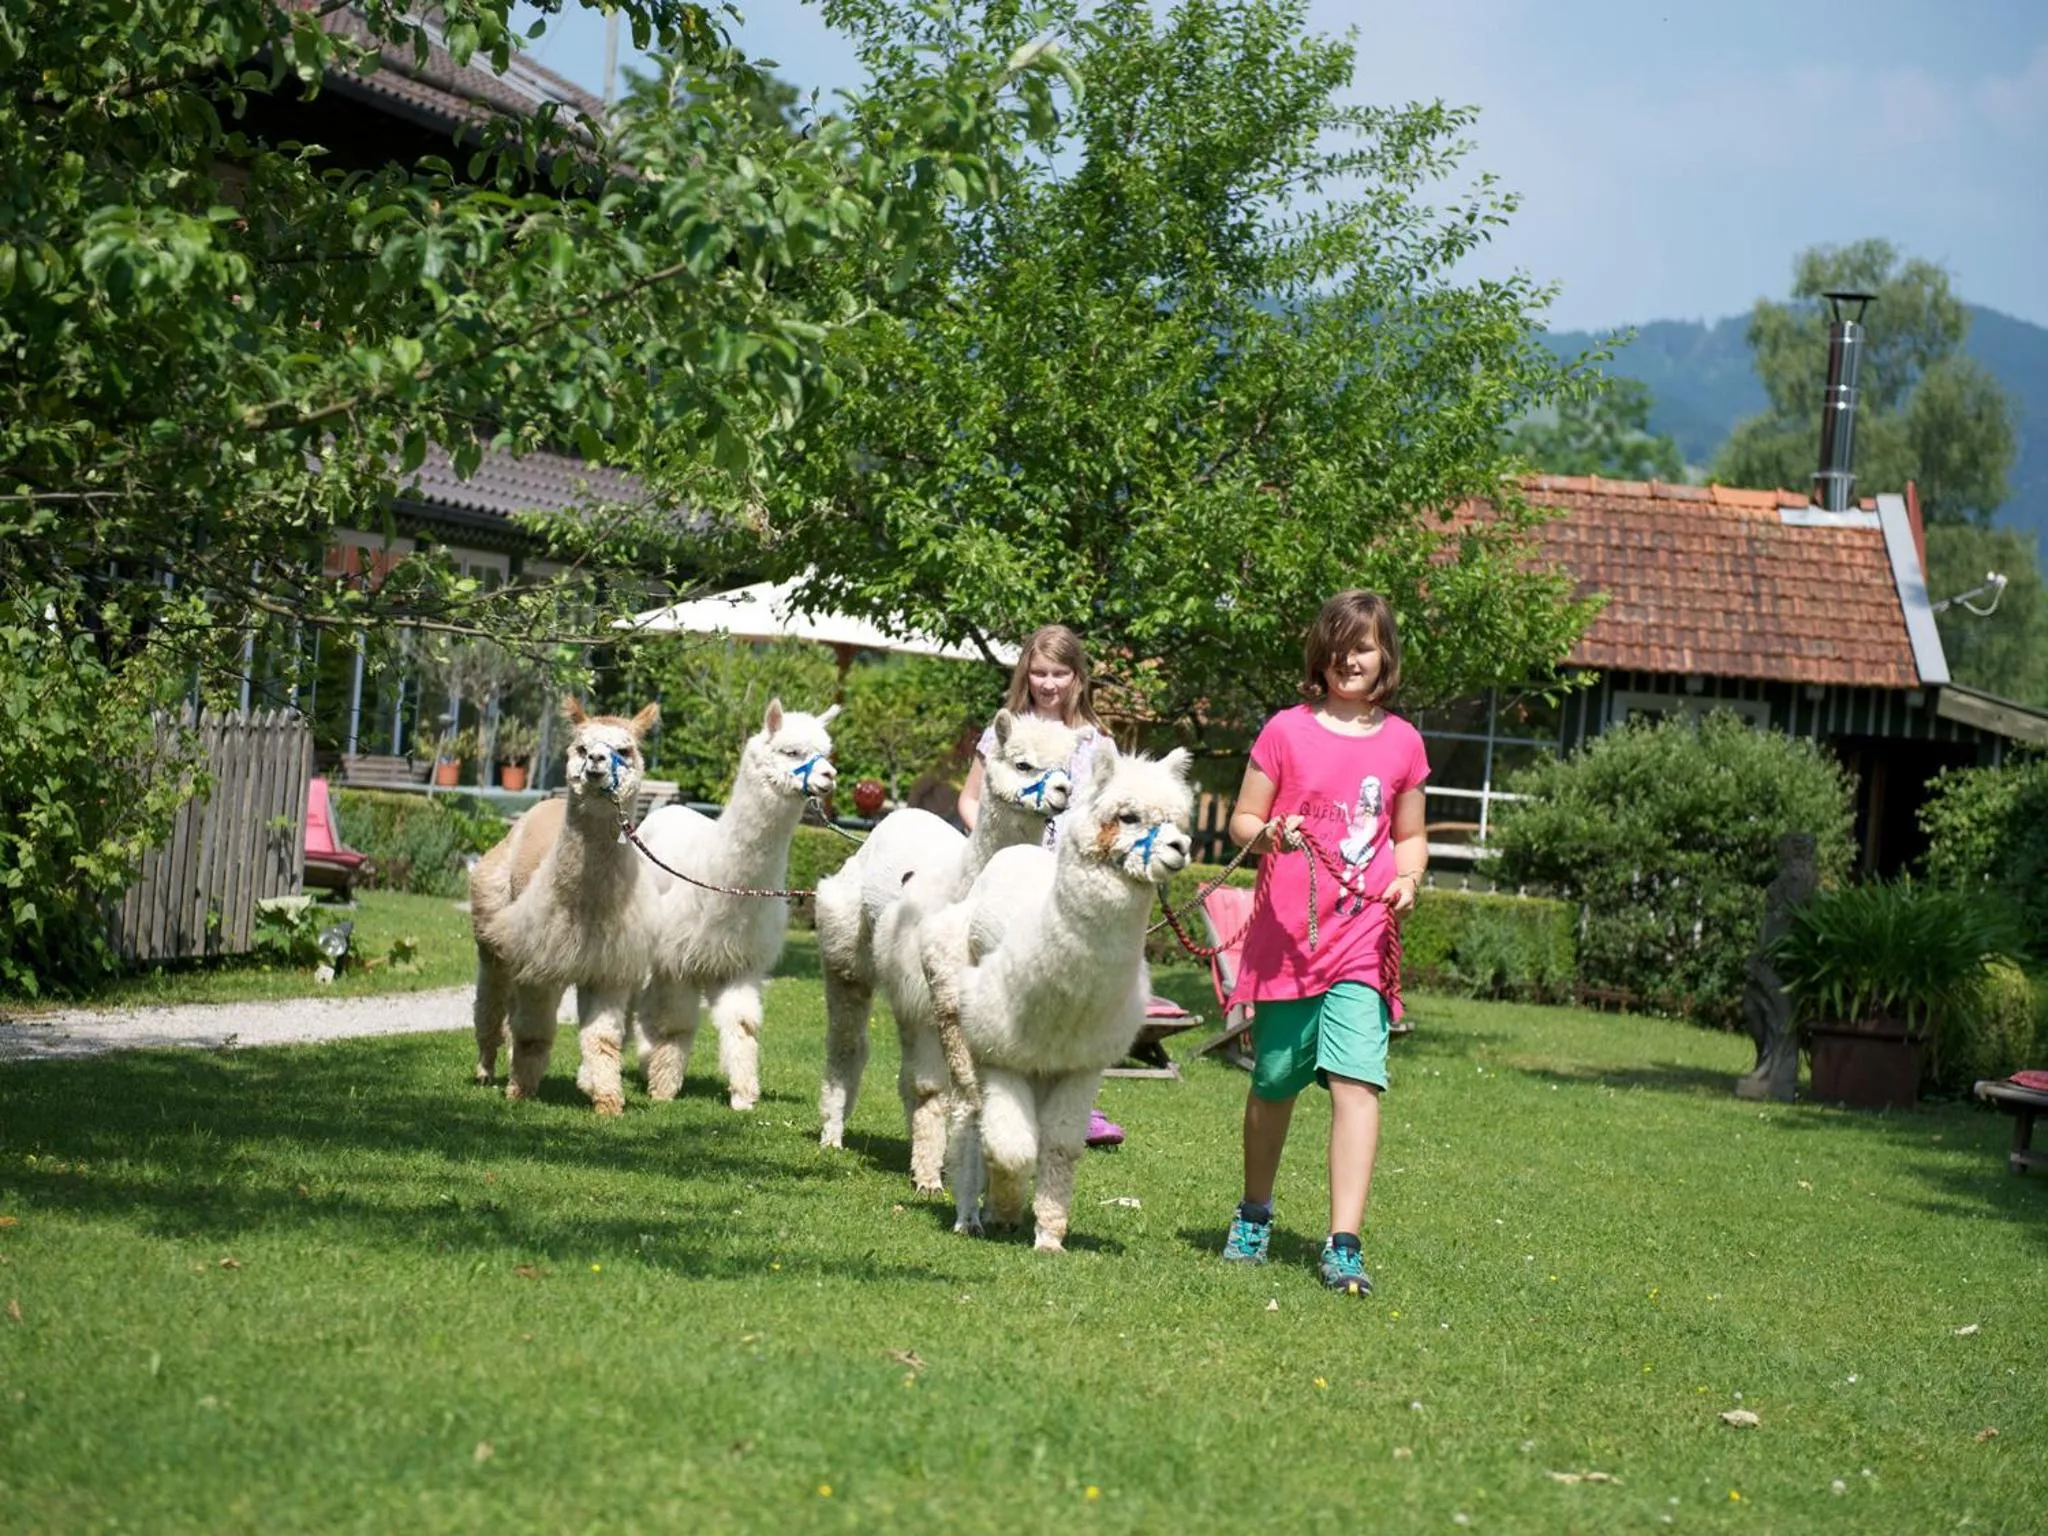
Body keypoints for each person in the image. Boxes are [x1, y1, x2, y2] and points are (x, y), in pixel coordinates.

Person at [1219, 590, 1429, 1295]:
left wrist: (1410, 878)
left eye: (1363, 647)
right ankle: (1254, 1212)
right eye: (1338, 647)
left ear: (1384, 657)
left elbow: (1411, 836)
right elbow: (1243, 820)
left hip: (1363, 931)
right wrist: (1269, 830)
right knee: (1275, 1080)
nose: (1350, 659)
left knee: (1357, 1080)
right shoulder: (1284, 730)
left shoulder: (1403, 742)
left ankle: (1344, 1242)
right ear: (1321, 655)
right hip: (1287, 936)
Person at [956, 624, 1124, 1149]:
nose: (1049, 684)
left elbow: (1107, 816)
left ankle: (1070, 1100)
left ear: (1078, 677)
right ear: (1025, 673)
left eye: (1060, 673)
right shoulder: (1004, 731)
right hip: (1006, 880)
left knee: (1067, 992)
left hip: (1066, 889)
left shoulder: (1098, 744)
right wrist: (993, 840)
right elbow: (970, 799)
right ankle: (989, 1088)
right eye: (1040, 672)